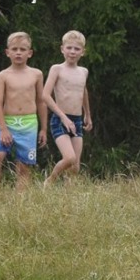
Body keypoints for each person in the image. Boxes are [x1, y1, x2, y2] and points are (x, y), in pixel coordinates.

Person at [0, 31, 45, 188]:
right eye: (14, 49)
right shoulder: (3, 75)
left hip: (29, 124)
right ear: (8, 52)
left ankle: (20, 202)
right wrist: (3, 128)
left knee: (24, 166)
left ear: (30, 53)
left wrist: (43, 129)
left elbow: (41, 101)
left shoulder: (36, 74)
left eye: (22, 49)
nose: (18, 53)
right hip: (8, 123)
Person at [44, 29, 93, 183]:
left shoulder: (83, 72)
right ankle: (50, 181)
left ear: (83, 52)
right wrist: (63, 117)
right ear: (62, 49)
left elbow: (83, 91)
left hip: (77, 120)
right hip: (60, 119)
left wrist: (88, 115)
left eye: (76, 49)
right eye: (69, 48)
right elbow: (45, 95)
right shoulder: (57, 69)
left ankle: (68, 196)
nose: (72, 52)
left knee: (75, 167)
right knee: (69, 158)